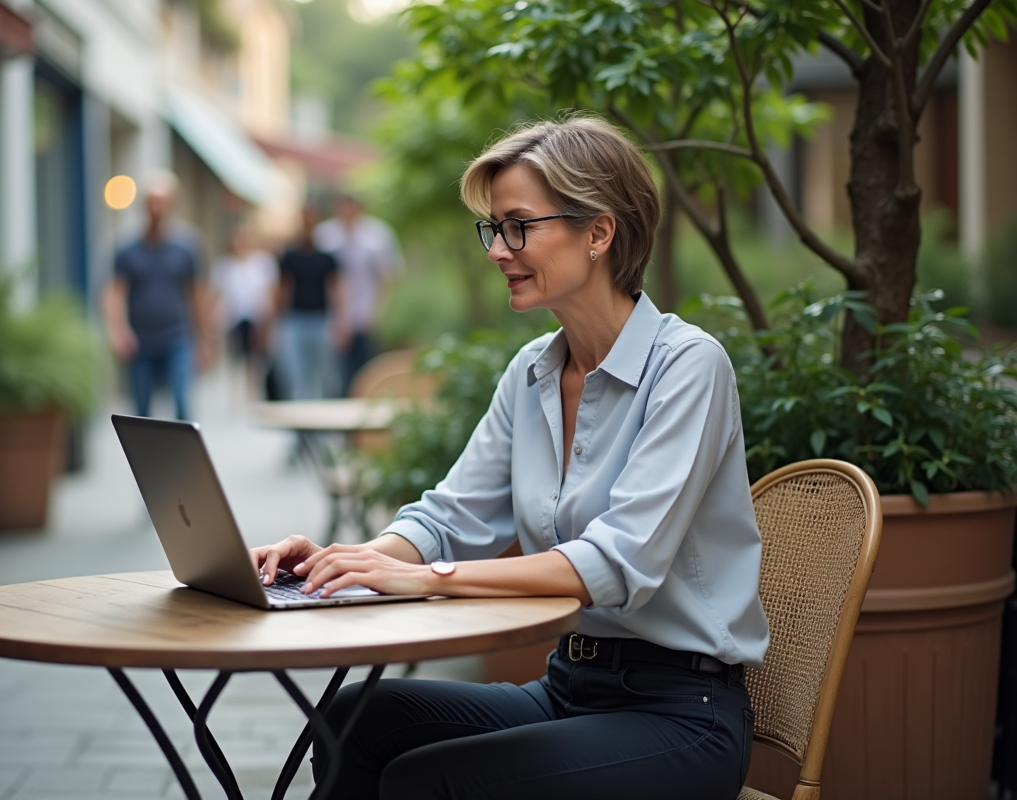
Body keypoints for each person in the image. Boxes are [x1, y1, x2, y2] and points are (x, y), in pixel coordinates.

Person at [252, 117, 769, 800]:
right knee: (352, 722)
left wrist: (428, 579)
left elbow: (615, 564)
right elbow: (447, 518)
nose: (498, 250)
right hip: (568, 687)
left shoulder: (688, 367)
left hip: (679, 715)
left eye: (519, 226)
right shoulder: (532, 371)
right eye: (494, 229)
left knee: (428, 781)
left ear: (598, 232)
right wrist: (343, 563)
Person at [102, 171, 211, 421]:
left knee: (182, 404)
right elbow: (114, 293)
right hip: (140, 342)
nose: (156, 208)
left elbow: (196, 294)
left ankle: (183, 448)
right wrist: (118, 330)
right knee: (142, 413)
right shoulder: (127, 250)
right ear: (143, 205)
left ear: (173, 205)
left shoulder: (187, 247)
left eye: (162, 202)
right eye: (151, 202)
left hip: (178, 338)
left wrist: (204, 338)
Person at [313, 193, 401, 395]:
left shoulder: (378, 234)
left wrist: (378, 311)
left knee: (362, 368)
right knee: (332, 371)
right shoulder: (325, 234)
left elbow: (387, 277)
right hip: (329, 314)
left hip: (364, 310)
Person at [275, 205, 345, 401]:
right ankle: (300, 414)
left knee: (325, 374)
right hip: (295, 320)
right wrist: (276, 322)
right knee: (296, 374)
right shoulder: (289, 256)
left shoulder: (327, 258)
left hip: (321, 319)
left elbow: (336, 290)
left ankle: (323, 413)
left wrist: (340, 321)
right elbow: (283, 290)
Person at [211, 227, 277, 400]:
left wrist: (269, 320)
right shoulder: (225, 266)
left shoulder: (262, 263)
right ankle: (235, 393)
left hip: (256, 318)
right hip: (233, 318)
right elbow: (217, 293)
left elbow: (270, 292)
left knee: (254, 358)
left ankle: (251, 392)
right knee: (235, 356)